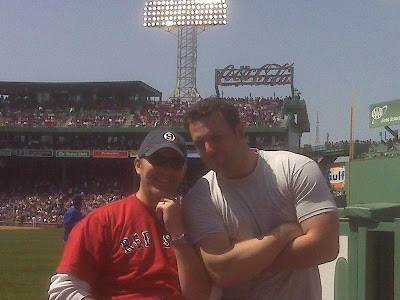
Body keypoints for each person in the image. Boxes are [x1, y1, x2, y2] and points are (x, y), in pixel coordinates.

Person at [182, 98, 339, 299]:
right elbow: (220, 272)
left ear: (239, 132)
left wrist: (241, 261)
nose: (209, 149)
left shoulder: (295, 168)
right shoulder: (201, 196)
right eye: (200, 143)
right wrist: (282, 234)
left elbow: (325, 246)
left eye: (216, 138)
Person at [48, 129, 219, 300]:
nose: (166, 170)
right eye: (158, 160)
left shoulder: (195, 222)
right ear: (138, 165)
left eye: (175, 163)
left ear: (184, 170)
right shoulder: (103, 220)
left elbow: (203, 296)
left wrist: (178, 234)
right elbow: (64, 289)